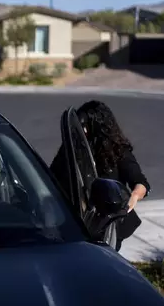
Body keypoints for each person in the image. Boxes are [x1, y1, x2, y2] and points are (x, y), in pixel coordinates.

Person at [50, 100, 151, 251]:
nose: (82, 131)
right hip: (78, 221)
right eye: (80, 126)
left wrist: (134, 196)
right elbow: (52, 177)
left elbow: (140, 181)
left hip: (106, 223)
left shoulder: (118, 151)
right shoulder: (74, 148)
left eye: (85, 126)